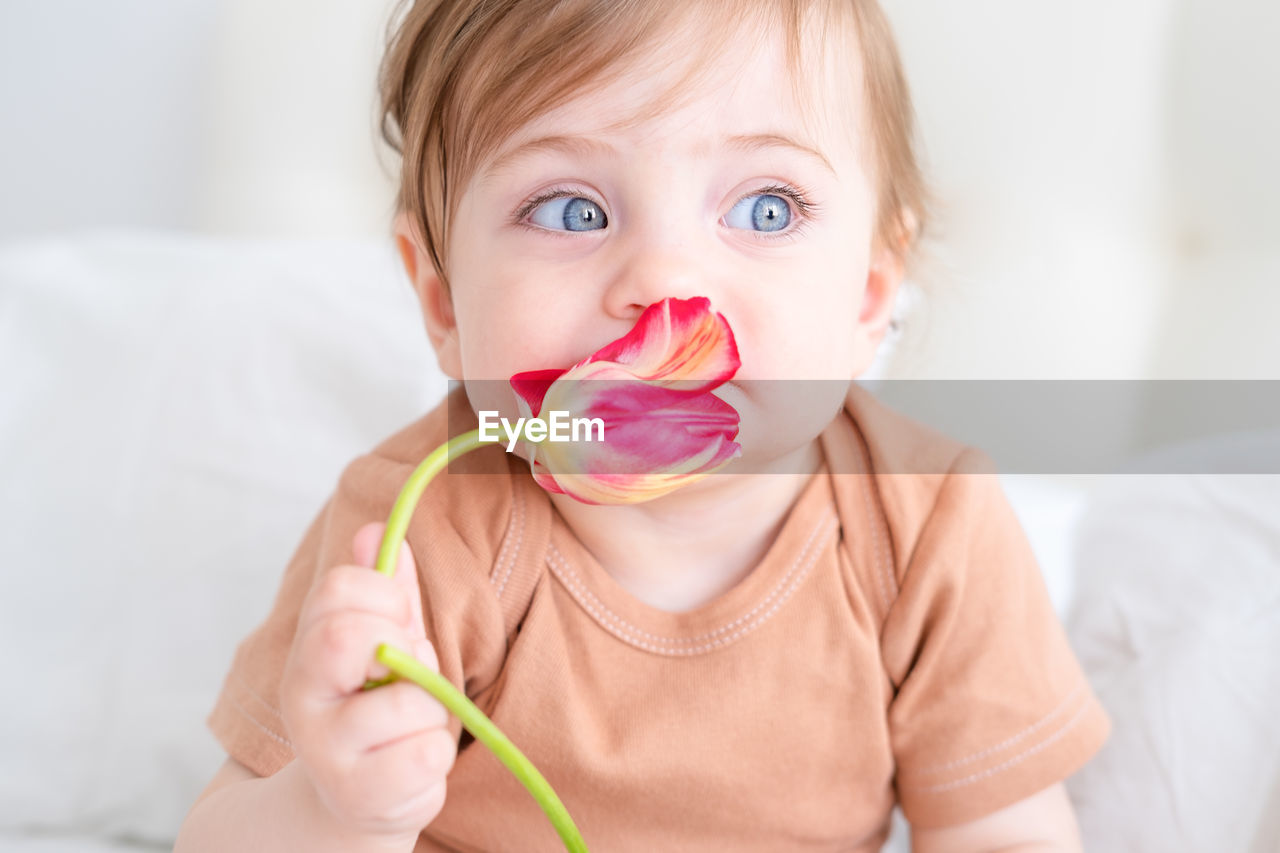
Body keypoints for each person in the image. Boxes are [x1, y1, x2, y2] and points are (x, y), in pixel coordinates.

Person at [175, 1, 1109, 850]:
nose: (663, 280)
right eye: (572, 210)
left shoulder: (929, 521)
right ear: (443, 303)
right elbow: (220, 833)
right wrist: (335, 809)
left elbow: (1008, 832)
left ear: (870, 294)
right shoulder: (422, 528)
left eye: (765, 208)